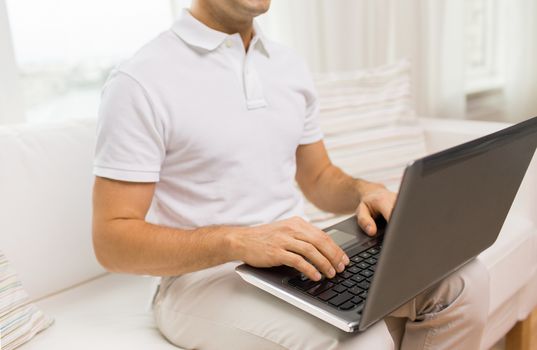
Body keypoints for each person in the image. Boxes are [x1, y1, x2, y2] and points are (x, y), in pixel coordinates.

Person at [92, 0, 489, 349]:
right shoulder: (140, 80)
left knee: (465, 282)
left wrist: (361, 191)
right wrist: (238, 240)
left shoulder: (287, 65)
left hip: (297, 259)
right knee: (360, 339)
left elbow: (317, 178)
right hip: (197, 281)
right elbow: (113, 243)